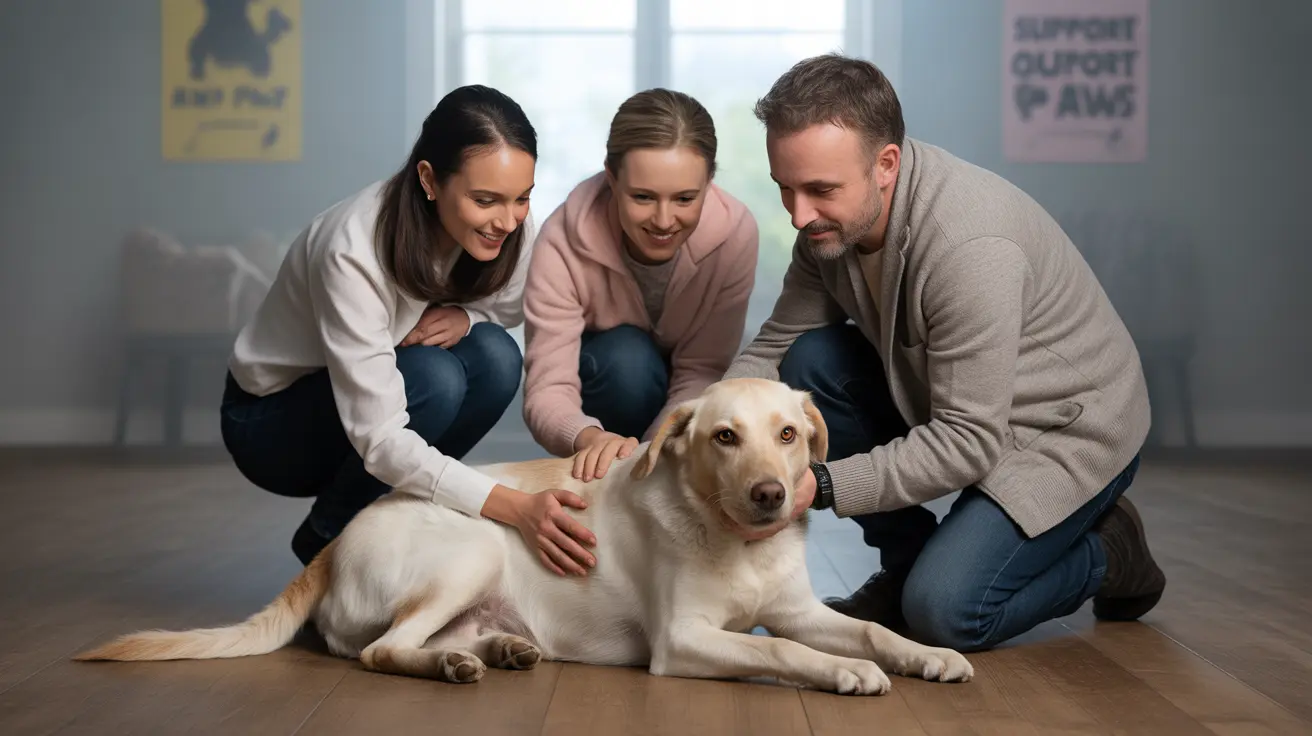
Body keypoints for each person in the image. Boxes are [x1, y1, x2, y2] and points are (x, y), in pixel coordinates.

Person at [723, 54, 1166, 652]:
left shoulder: (970, 248)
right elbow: (773, 352)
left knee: (945, 613)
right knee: (810, 360)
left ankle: (1110, 553)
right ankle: (906, 566)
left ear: (886, 165)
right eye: (786, 189)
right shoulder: (831, 226)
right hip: (961, 404)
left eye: (820, 190)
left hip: (1067, 432)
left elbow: (968, 440)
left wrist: (819, 485)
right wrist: (697, 436)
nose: (800, 215)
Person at [221, 85, 598, 578]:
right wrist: (513, 506)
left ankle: (384, 531)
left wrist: (469, 317)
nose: (508, 221)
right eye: (485, 200)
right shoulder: (352, 249)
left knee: (496, 356)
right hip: (271, 426)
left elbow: (511, 309)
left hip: (378, 402)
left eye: (522, 198)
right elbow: (380, 438)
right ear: (429, 179)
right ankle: (327, 539)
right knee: (436, 378)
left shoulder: (509, 226)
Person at [521, 88, 759, 481]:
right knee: (629, 359)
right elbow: (548, 389)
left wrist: (652, 454)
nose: (664, 221)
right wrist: (588, 437)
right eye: (643, 197)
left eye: (685, 198)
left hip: (683, 401)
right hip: (609, 384)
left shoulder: (735, 234)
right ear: (612, 179)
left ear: (710, 181)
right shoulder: (561, 238)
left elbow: (702, 370)